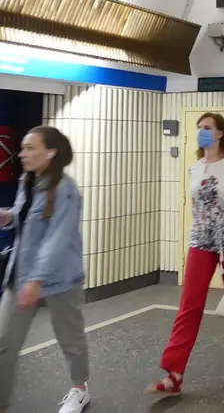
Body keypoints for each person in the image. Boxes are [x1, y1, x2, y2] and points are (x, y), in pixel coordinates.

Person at [147, 113, 224, 397]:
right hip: (201, 241)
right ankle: (174, 373)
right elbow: (195, 207)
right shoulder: (194, 167)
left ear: (220, 133)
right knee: (189, 304)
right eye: (199, 128)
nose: (202, 132)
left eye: (207, 128)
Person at [0, 126, 91, 413]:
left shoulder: (65, 190)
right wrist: (8, 216)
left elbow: (57, 238)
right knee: (4, 343)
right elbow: (28, 219)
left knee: (71, 340)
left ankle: (80, 389)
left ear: (49, 152)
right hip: (22, 275)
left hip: (60, 279)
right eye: (23, 147)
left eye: (30, 148)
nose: (22, 153)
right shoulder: (28, 181)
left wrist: (36, 280)